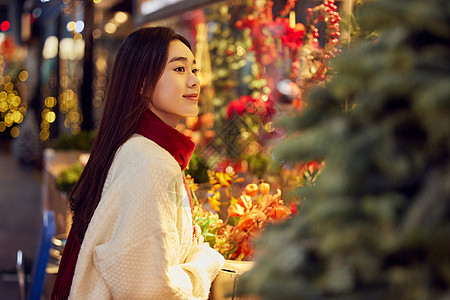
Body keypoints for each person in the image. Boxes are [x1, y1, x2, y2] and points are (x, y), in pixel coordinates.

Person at [52, 26, 225, 300]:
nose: (194, 81)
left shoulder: (141, 148)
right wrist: (205, 262)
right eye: (179, 69)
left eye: (194, 70)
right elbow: (153, 290)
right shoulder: (150, 162)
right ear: (142, 84)